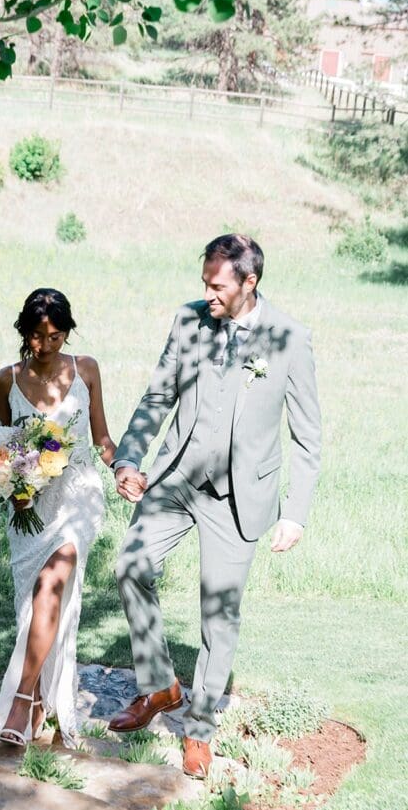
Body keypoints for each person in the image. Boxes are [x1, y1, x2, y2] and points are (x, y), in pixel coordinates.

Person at [108, 234, 322, 777]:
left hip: (238, 498)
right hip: (176, 478)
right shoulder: (189, 321)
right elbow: (158, 396)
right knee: (130, 566)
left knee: (218, 614)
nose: (208, 294)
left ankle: (199, 729)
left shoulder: (289, 339)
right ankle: (160, 687)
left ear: (250, 282)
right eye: (205, 282)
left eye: (218, 285)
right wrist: (128, 459)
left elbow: (307, 436)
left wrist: (294, 512)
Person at [0, 288, 116, 748]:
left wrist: (124, 469)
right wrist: (13, 488)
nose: (45, 345)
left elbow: (102, 439)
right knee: (35, 606)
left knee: (52, 585)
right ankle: (45, 703)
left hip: (79, 497)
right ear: (24, 331)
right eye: (37, 336)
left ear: (67, 333)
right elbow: (6, 446)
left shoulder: (86, 370)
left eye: (55, 336)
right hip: (30, 509)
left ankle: (22, 699)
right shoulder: (7, 379)